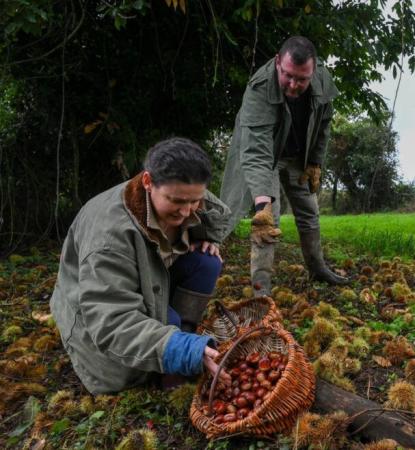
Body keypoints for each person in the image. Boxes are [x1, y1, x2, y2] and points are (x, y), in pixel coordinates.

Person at [50, 137, 233, 394]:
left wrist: (208, 238)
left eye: (194, 202)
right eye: (177, 202)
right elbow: (111, 322)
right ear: (148, 182)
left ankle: (183, 335)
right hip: (100, 311)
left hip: (154, 278)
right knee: (163, 322)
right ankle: (176, 350)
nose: (186, 212)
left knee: (206, 262)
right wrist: (181, 350)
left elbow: (214, 213)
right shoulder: (108, 236)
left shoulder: (184, 190)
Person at [220, 36, 348, 297]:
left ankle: (317, 267)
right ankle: (261, 290)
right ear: (278, 63)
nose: (293, 85)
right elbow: (256, 152)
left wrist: (315, 162)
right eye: (288, 76)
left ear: (313, 70)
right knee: (269, 220)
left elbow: (323, 124)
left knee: (310, 211)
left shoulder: (322, 80)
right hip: (265, 155)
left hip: (297, 155)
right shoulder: (259, 89)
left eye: (302, 79)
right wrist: (261, 202)